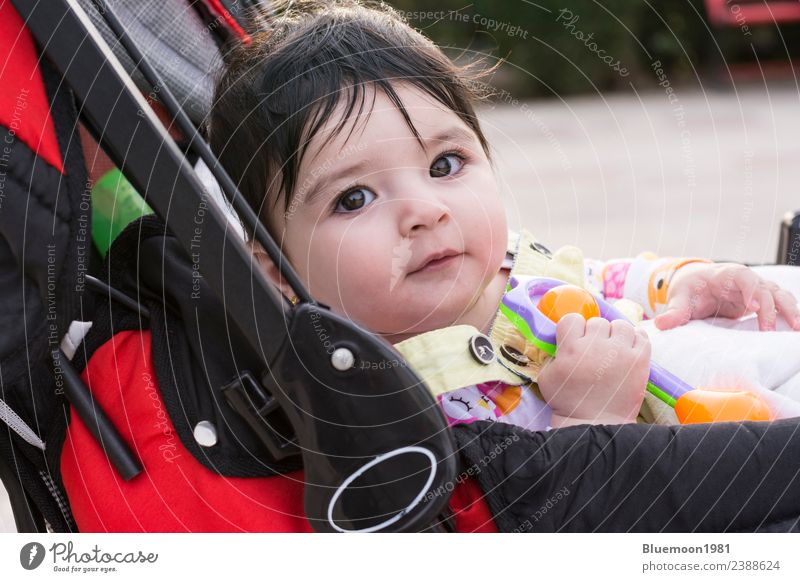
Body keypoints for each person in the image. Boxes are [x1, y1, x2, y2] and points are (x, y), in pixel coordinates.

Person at [208, 0, 800, 431]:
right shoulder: (396, 403)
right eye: (354, 198)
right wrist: (586, 418)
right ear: (278, 270)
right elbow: (531, 516)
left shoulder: (512, 266)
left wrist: (688, 282)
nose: (425, 211)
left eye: (444, 164)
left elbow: (603, 277)